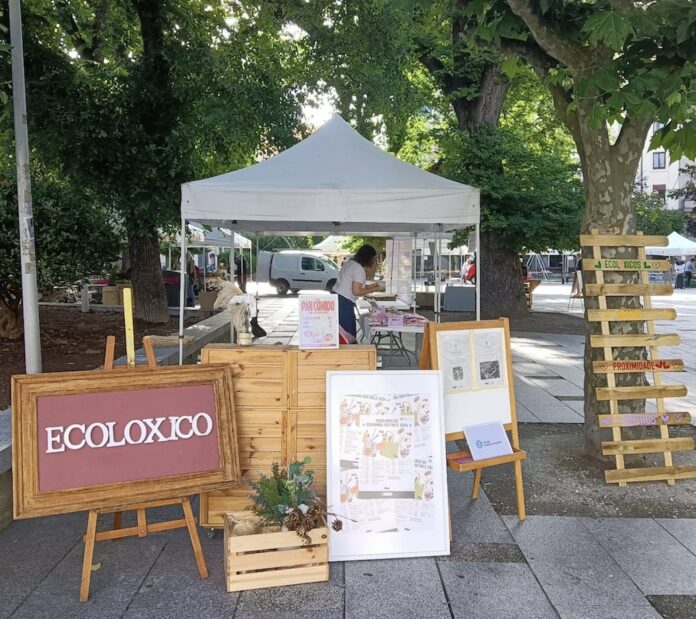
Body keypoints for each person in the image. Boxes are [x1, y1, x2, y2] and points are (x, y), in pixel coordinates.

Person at [333, 244, 381, 344]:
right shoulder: (359, 269)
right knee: (349, 335)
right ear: (369, 258)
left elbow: (354, 286)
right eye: (373, 258)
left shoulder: (350, 263)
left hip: (337, 299)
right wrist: (372, 290)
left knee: (341, 333)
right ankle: (351, 356)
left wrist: (369, 287)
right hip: (344, 302)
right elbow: (357, 291)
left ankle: (346, 355)